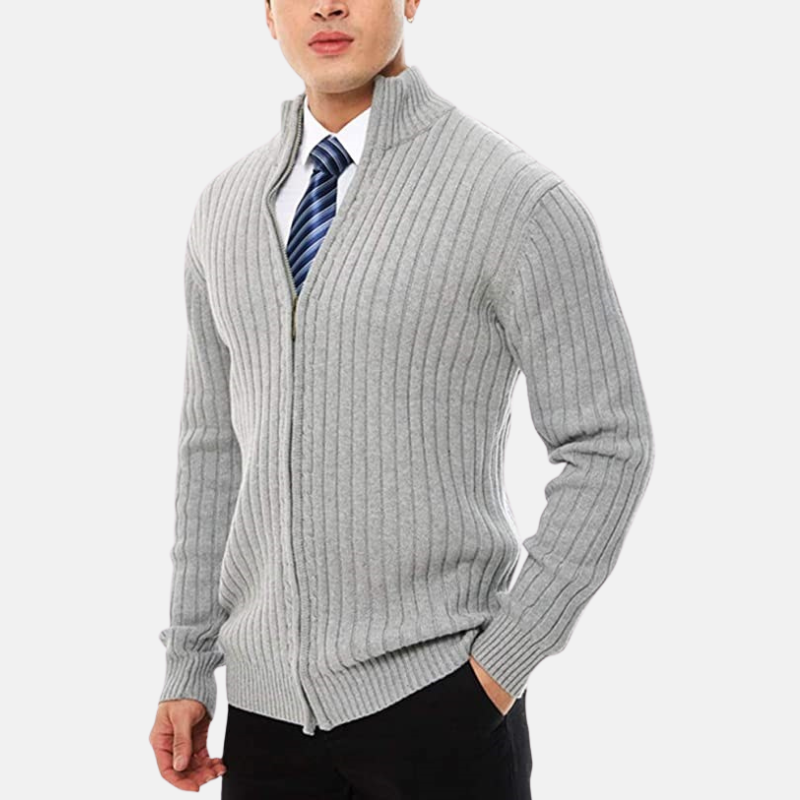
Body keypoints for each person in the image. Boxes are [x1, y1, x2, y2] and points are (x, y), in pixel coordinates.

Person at [149, 0, 655, 796]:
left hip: (440, 709)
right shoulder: (225, 207)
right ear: (266, 11)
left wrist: (500, 667)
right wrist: (187, 663)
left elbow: (608, 445)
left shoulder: (514, 198)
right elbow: (212, 447)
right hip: (264, 723)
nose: (327, 5)